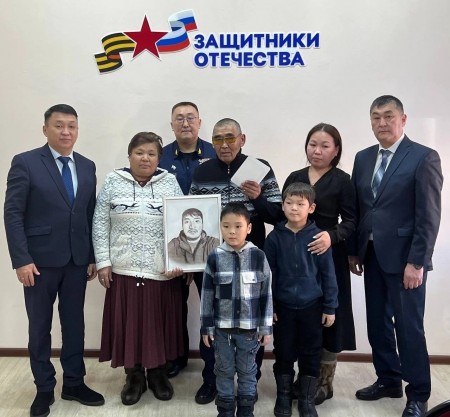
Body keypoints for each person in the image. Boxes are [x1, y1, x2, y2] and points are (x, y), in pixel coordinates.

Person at [4, 104, 104, 417]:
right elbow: (13, 213)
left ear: (77, 130)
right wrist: (21, 259)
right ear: (45, 129)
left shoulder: (87, 166)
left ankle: (74, 383)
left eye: (71, 126)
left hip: (76, 261)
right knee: (40, 327)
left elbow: (88, 214)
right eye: (59, 125)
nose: (66, 131)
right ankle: (44, 388)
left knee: (74, 324)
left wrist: (91, 255)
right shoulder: (26, 162)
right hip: (38, 263)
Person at [349, 95, 443, 417]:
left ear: (403, 120)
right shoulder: (363, 158)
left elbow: (429, 216)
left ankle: (418, 394)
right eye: (376, 117)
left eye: (389, 116)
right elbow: (360, 209)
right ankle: (388, 379)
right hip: (372, 255)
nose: (382, 123)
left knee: (408, 328)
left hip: (406, 260)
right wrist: (354, 250)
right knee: (377, 323)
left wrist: (417, 262)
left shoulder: (423, 157)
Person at [190, 117, 283, 404]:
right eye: (218, 139)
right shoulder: (202, 171)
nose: (224, 144)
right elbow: (190, 212)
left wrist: (258, 198)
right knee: (212, 318)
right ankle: (211, 379)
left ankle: (249, 382)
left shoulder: (260, 168)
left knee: (250, 322)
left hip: (251, 261)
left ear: (242, 139)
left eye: (230, 137)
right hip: (212, 260)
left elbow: (278, 215)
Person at [93, 132, 185, 406]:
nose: (145, 158)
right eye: (139, 152)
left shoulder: (170, 182)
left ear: (159, 158)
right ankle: (134, 376)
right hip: (123, 269)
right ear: (129, 155)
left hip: (161, 270)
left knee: (158, 325)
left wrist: (180, 261)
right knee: (129, 325)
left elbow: (182, 222)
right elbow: (100, 222)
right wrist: (103, 261)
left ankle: (157, 374)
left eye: (151, 154)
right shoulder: (113, 181)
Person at [283, 123, 356, 405]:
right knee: (302, 317)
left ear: (336, 150)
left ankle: (324, 382)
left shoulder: (342, 180)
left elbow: (351, 221)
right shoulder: (295, 176)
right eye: (313, 144)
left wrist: (331, 236)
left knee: (329, 317)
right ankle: (304, 376)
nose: (317, 150)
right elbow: (283, 212)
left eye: (325, 146)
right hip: (297, 257)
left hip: (329, 255)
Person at [264, 182, 338, 417]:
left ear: (311, 208)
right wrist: (270, 306)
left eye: (300, 204)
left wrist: (330, 307)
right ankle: (283, 397)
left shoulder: (319, 238)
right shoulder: (274, 238)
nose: (294, 208)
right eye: (289, 203)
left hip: (312, 306)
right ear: (282, 205)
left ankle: (306, 399)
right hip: (283, 307)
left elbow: (328, 275)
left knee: (311, 353)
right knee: (284, 352)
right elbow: (268, 276)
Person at [159, 101, 216, 382]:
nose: (185, 123)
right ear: (171, 125)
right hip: (174, 246)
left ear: (200, 122)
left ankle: (212, 366)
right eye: (179, 118)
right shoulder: (159, 156)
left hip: (209, 246)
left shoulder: (216, 153)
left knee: (211, 305)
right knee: (172, 307)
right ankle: (176, 357)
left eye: (190, 118)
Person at [201, 203, 273, 417]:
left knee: (248, 371)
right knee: (223, 370)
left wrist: (266, 328)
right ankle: (224, 410)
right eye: (226, 226)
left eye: (238, 226)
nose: (232, 231)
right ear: (220, 228)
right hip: (222, 330)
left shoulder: (258, 256)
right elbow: (207, 295)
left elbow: (266, 293)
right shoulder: (214, 257)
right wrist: (206, 327)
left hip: (249, 330)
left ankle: (246, 410)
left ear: (248, 228)